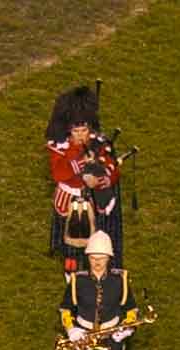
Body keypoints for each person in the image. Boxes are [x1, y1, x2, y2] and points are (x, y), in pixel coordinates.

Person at [46, 84, 123, 269]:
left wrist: (106, 178)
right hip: (68, 197)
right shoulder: (60, 148)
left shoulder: (99, 144)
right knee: (71, 238)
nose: (81, 135)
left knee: (94, 233)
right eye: (76, 131)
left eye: (84, 131)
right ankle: (70, 267)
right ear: (68, 131)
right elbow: (59, 173)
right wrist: (82, 162)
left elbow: (112, 168)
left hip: (91, 197)